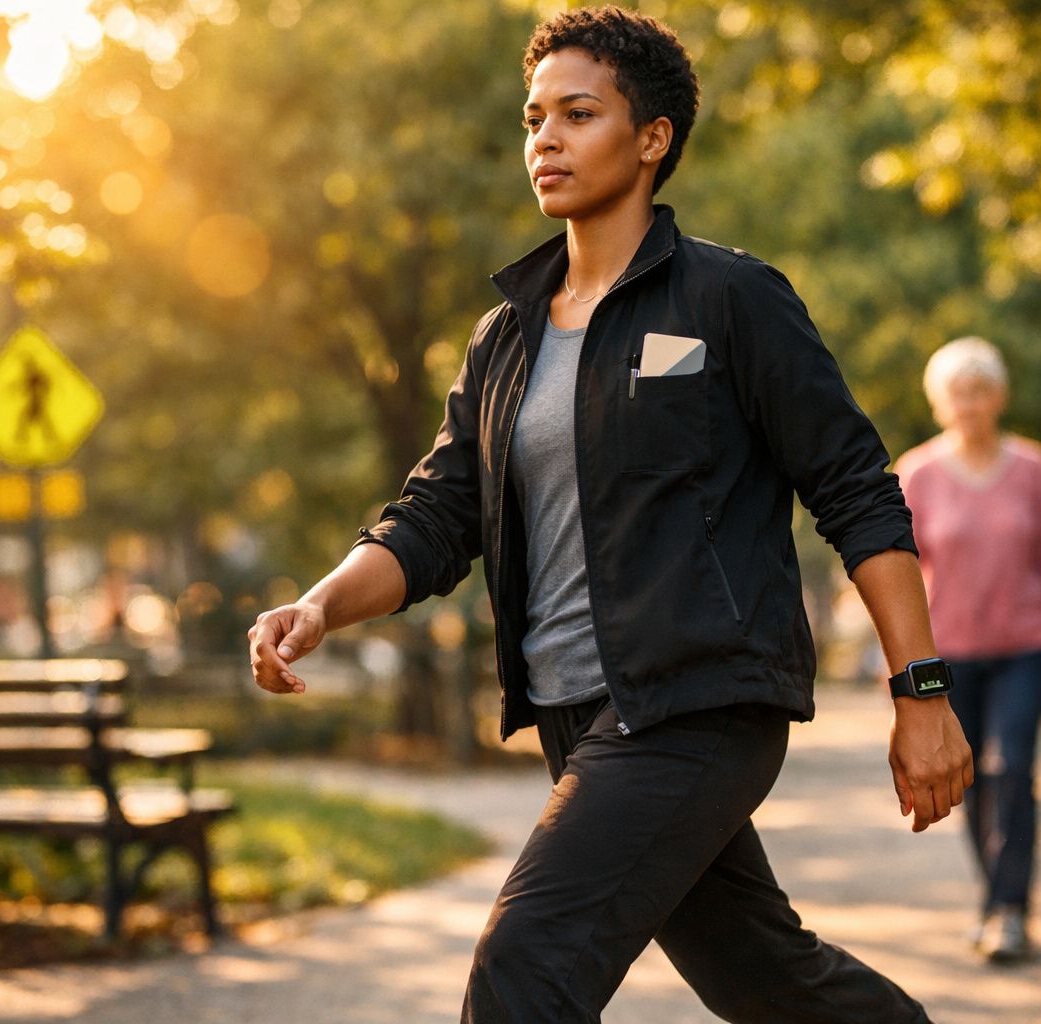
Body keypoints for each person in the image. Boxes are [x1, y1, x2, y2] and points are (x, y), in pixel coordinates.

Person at [248, 8, 972, 1020]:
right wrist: (321, 606)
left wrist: (921, 692)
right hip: (577, 710)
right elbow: (436, 514)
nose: (544, 138)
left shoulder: (730, 299)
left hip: (699, 702)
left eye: (578, 113)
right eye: (533, 116)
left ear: (651, 137)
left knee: (524, 967)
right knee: (765, 974)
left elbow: (856, 490)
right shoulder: (506, 338)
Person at [897, 337, 1041, 963]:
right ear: (939, 402)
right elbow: (897, 577)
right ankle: (999, 899)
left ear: (999, 398)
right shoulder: (916, 474)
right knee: (970, 778)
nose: (971, 404)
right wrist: (898, 664)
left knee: (1015, 772)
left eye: (981, 391)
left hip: (1025, 647)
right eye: (958, 393)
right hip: (947, 655)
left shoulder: (1031, 466)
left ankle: (1007, 909)